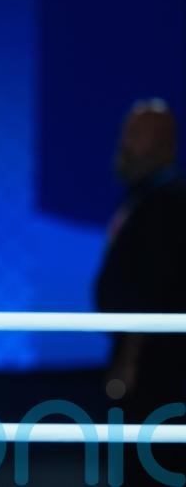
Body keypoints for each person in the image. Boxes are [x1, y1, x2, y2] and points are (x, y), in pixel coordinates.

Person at [95, 99, 186, 482]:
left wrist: (129, 361)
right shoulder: (142, 196)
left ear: (164, 145)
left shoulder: (168, 202)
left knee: (149, 465)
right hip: (141, 359)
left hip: (157, 370)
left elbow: (155, 287)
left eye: (136, 135)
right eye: (125, 133)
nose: (124, 143)